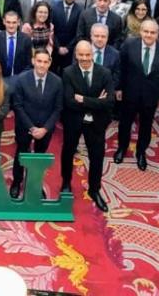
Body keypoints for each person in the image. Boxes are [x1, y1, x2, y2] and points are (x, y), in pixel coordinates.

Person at [114, 18, 159, 170]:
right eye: (146, 31)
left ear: (157, 33)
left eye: (152, 32)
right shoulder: (129, 45)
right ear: (141, 31)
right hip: (130, 94)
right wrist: (119, 88)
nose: (149, 35)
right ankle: (122, 148)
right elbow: (121, 68)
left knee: (146, 126)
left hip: (151, 97)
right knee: (125, 124)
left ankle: (141, 152)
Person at [59, 40, 113, 211]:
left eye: (87, 55)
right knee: (68, 152)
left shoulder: (104, 73)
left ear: (93, 54)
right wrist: (97, 101)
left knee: (97, 157)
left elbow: (109, 102)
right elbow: (68, 101)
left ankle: (94, 190)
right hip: (74, 121)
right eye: (80, 55)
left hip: (96, 122)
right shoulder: (67, 72)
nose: (84, 58)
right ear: (76, 55)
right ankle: (66, 183)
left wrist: (83, 99)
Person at [8, 48, 62, 199]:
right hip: (25, 125)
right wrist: (31, 127)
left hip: (46, 128)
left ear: (50, 63)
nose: (42, 65)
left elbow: (58, 108)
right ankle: (17, 182)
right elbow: (17, 106)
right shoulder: (21, 79)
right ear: (33, 61)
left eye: (45, 62)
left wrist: (45, 129)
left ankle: (35, 184)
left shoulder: (57, 82)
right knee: (21, 153)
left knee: (39, 157)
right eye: (39, 61)